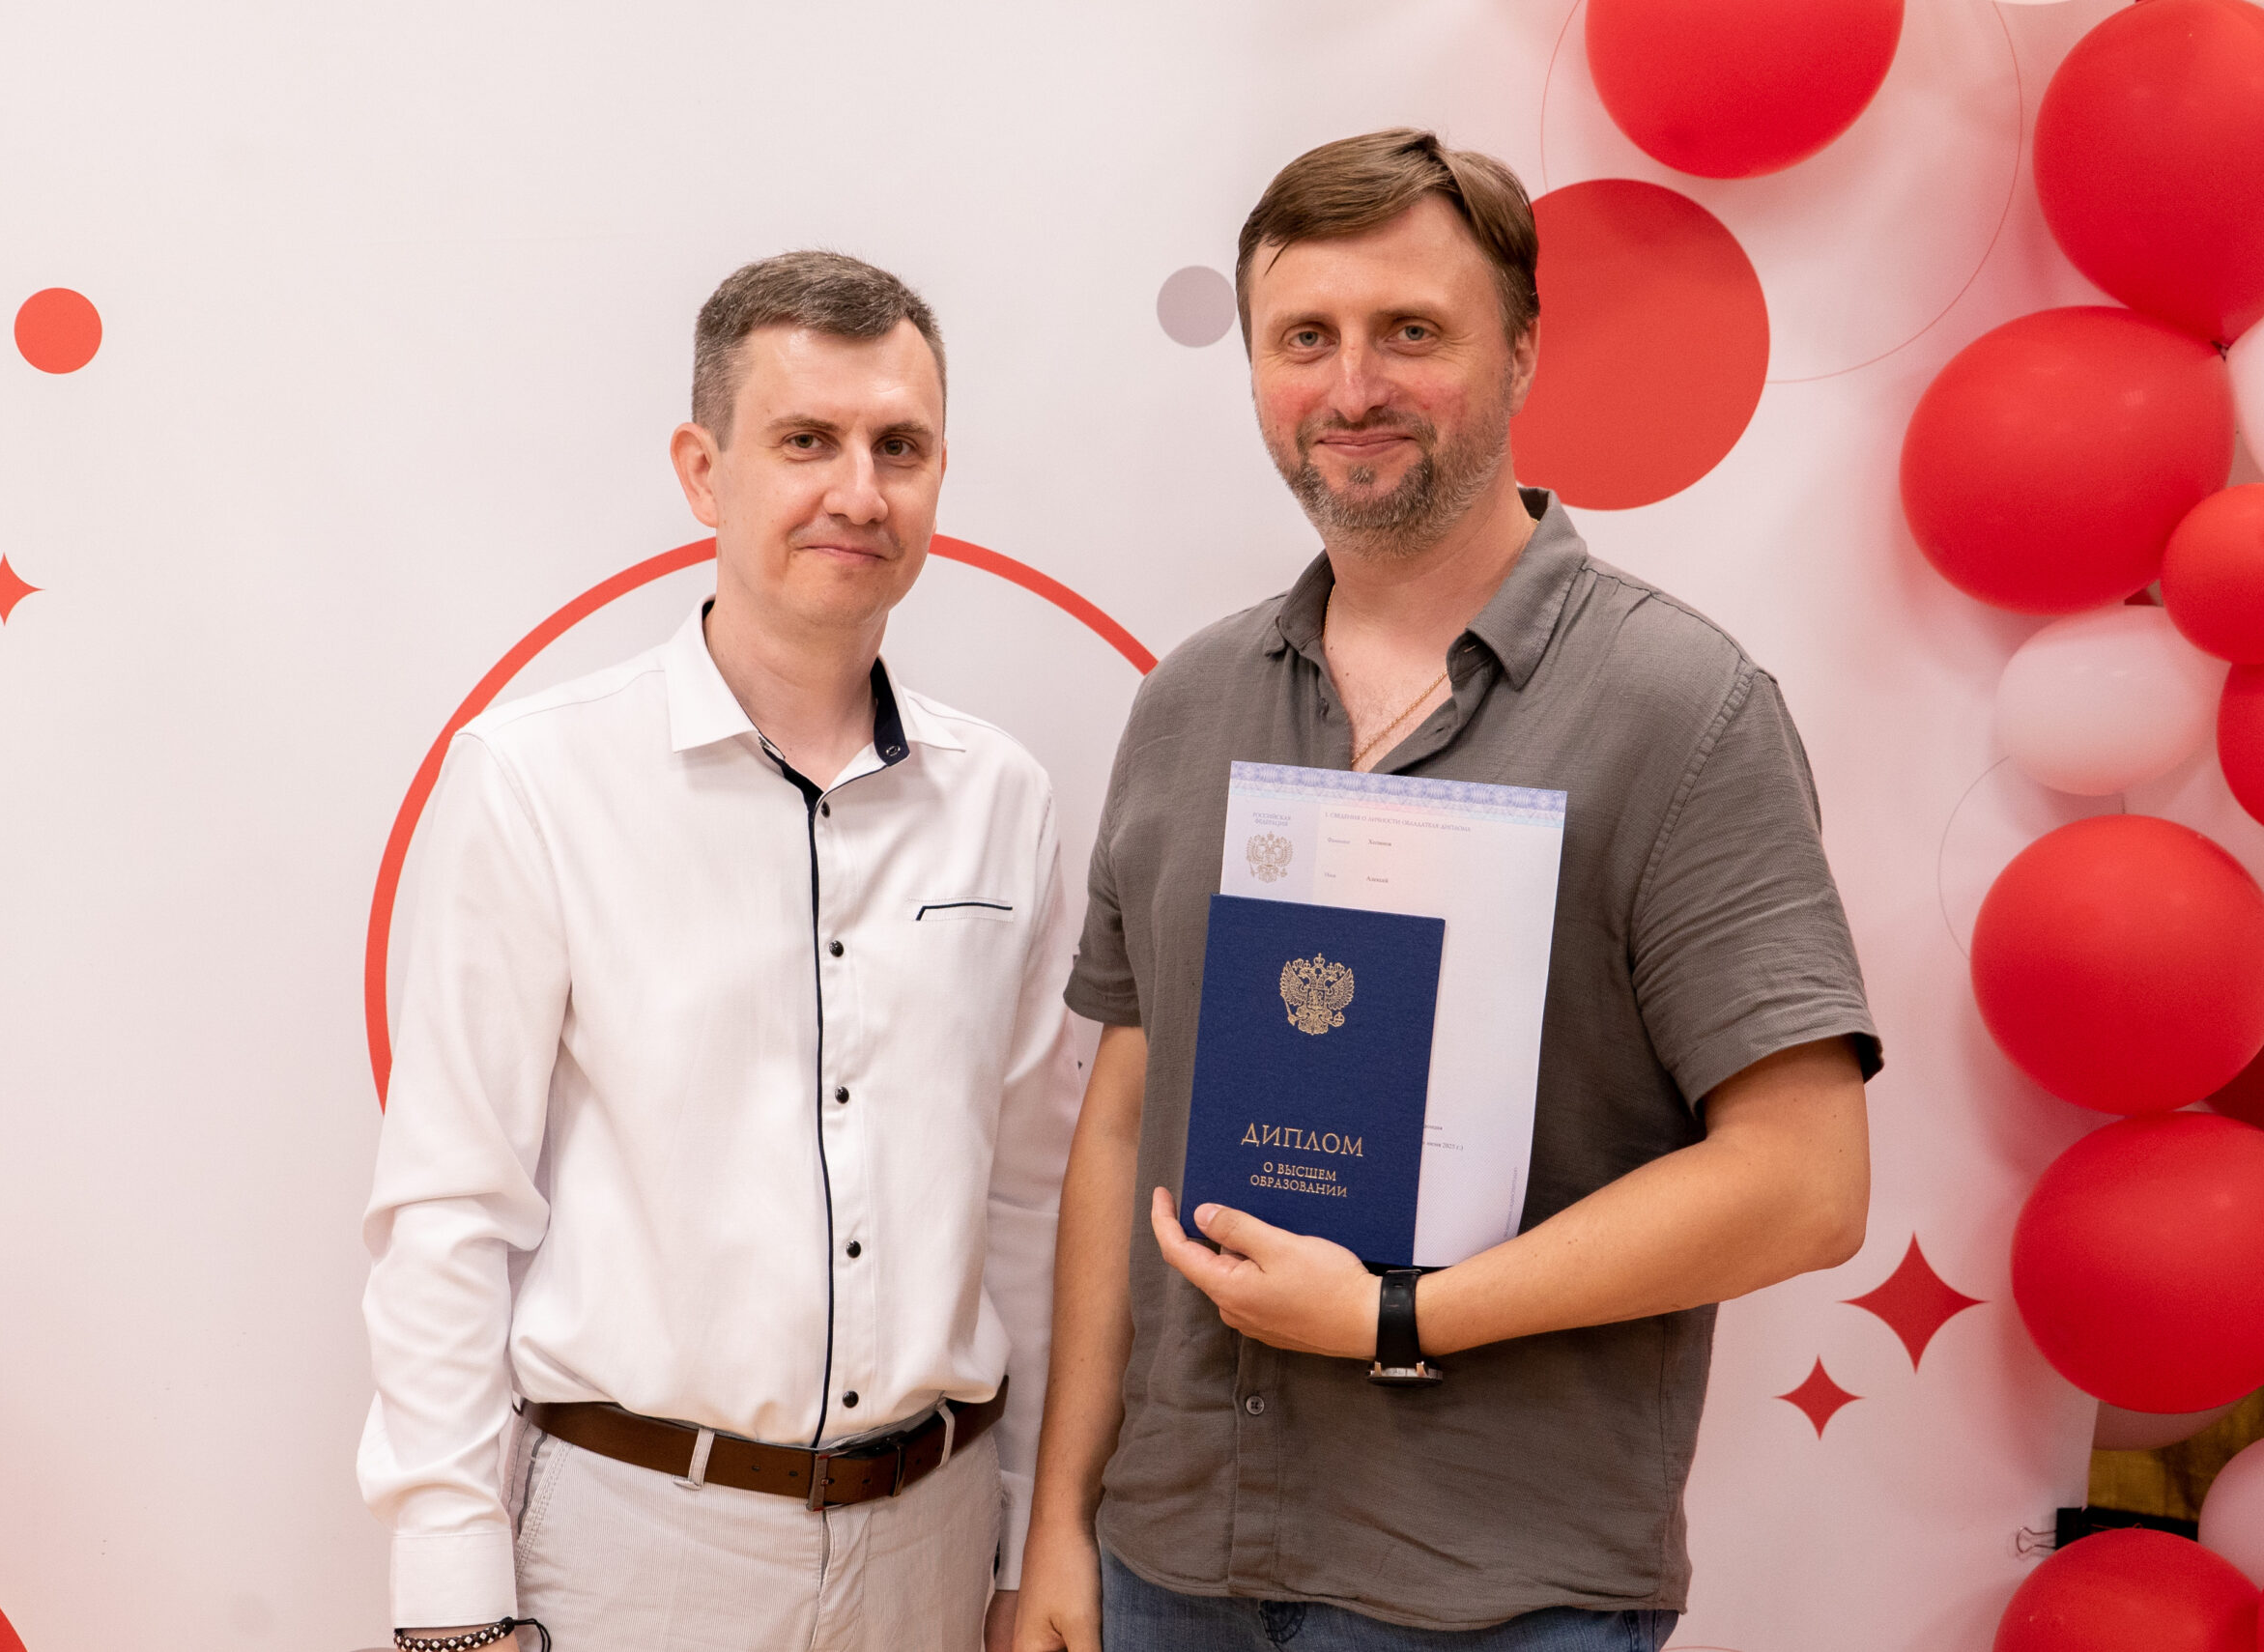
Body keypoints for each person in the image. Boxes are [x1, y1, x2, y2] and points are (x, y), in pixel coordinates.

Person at [1014, 130, 1879, 1652]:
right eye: (1305, 338)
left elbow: (1806, 1183)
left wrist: (1395, 1314)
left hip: (1495, 1594)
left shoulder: (1681, 711)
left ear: (1523, 351)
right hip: (1170, 1567)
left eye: (1410, 330)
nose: (1354, 386)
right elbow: (1123, 1117)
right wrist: (1060, 1526)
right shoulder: (1190, 703)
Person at [359, 250, 1080, 1652]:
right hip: (635, 1545)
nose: (858, 492)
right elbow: (451, 1204)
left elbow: (1028, 1203)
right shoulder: (535, 777)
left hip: (934, 1546)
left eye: (899, 446)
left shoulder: (1006, 799)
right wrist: (450, 1591)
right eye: (806, 440)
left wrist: (1023, 1529)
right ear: (704, 470)